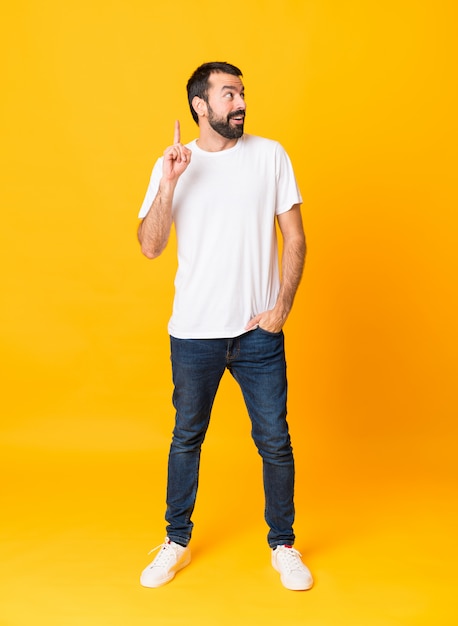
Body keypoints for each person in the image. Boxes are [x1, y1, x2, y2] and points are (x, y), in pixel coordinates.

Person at [137, 61, 313, 591]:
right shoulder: (172, 164)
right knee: (186, 438)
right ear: (201, 105)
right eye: (229, 94)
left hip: (258, 334)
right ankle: (176, 542)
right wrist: (169, 182)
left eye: (241, 93)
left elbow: (296, 239)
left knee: (275, 440)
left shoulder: (271, 156)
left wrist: (281, 308)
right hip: (194, 333)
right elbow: (150, 245)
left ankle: (283, 544)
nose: (239, 103)